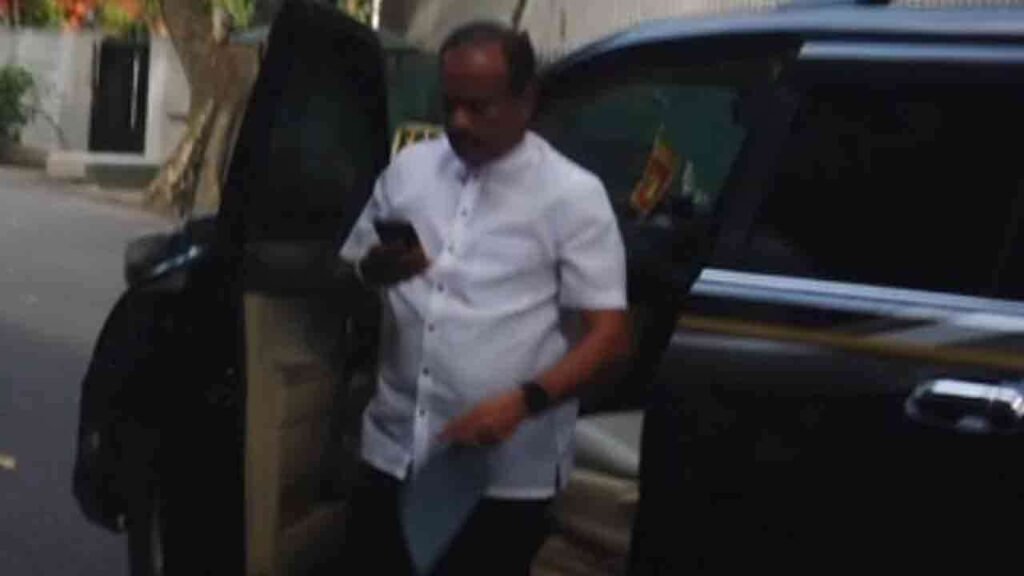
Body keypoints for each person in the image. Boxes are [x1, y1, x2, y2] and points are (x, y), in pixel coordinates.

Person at [338, 20, 630, 576]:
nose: (458, 122)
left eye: (478, 107)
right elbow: (355, 272)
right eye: (449, 105)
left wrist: (521, 404)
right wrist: (378, 268)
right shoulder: (409, 171)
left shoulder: (572, 196)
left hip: (502, 477)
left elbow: (610, 337)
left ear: (526, 101)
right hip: (393, 450)